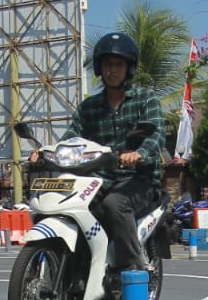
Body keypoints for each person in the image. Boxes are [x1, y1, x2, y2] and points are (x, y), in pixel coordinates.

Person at [43, 32, 164, 272]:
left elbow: (156, 134)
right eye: (108, 64)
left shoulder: (145, 99)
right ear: (100, 67)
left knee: (114, 204)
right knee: (72, 206)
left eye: (119, 64)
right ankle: (80, 268)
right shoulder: (90, 107)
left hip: (139, 179)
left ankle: (132, 266)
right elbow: (71, 136)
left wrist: (138, 153)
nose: (113, 70)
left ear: (128, 68)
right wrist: (47, 152)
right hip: (100, 179)